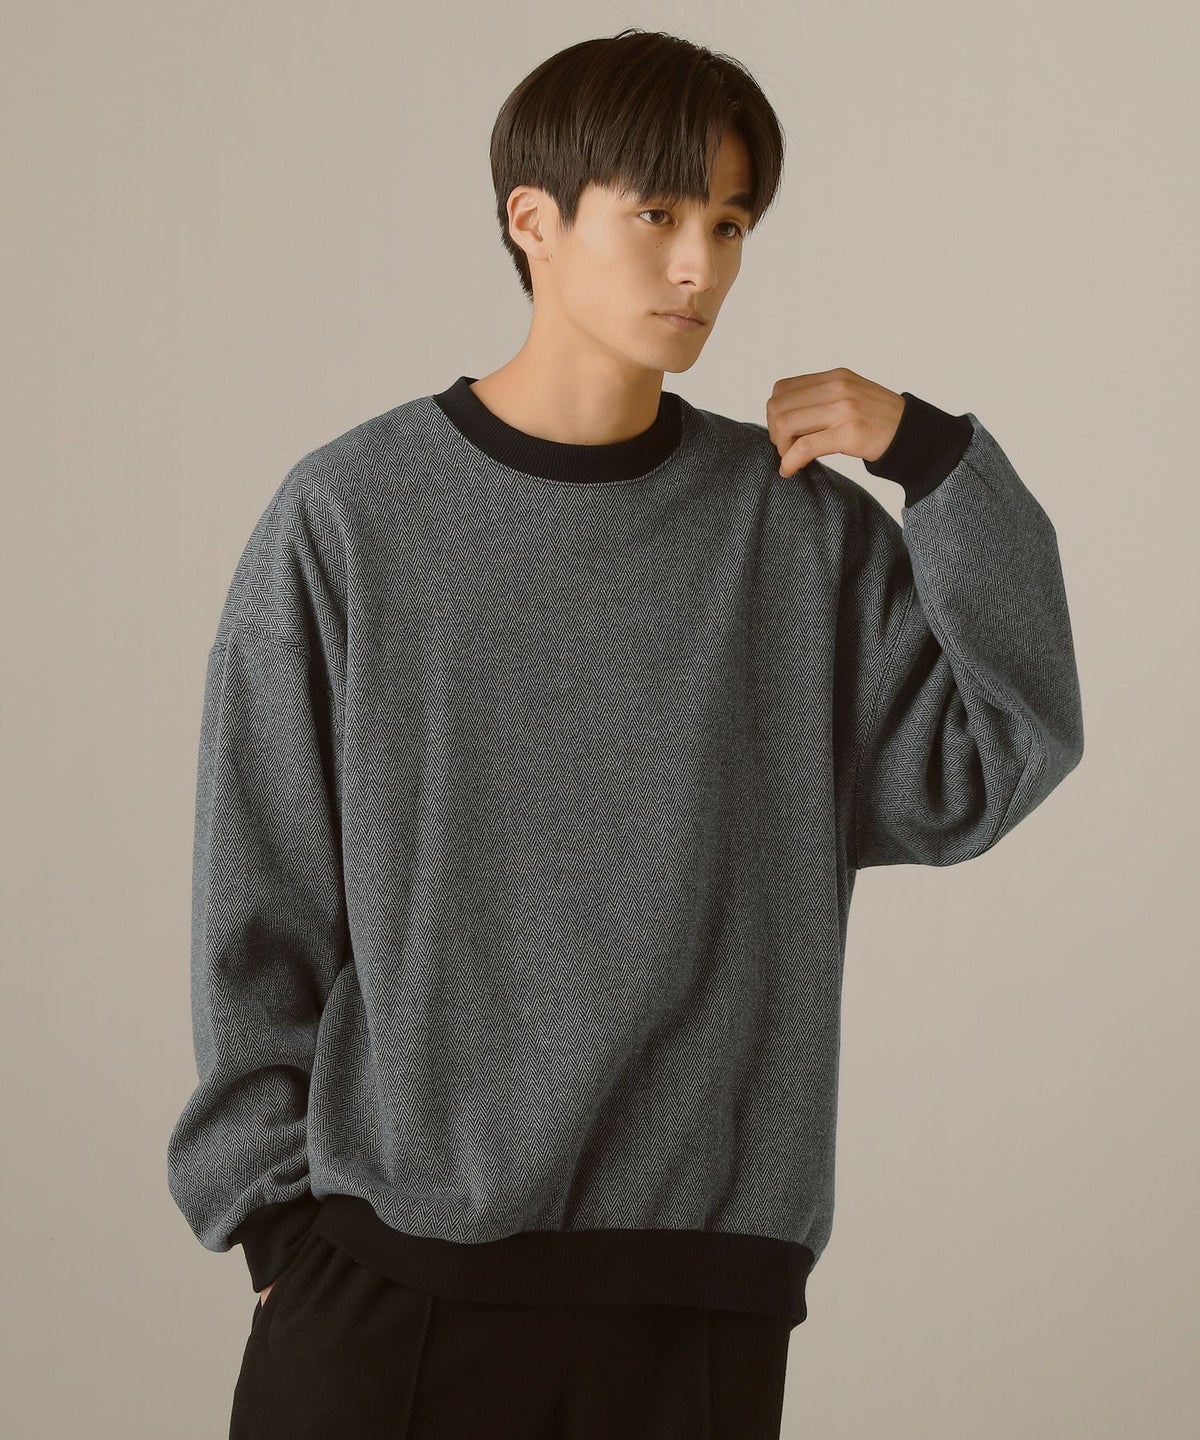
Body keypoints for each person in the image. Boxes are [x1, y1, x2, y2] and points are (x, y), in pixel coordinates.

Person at [166, 26, 1085, 1440]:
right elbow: (261, 885)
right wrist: (276, 1224)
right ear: (532, 222)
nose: (699, 266)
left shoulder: (797, 536)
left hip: (693, 1310)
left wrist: (936, 460)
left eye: (731, 223)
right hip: (388, 1287)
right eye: (657, 214)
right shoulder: (352, 516)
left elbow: (995, 757)